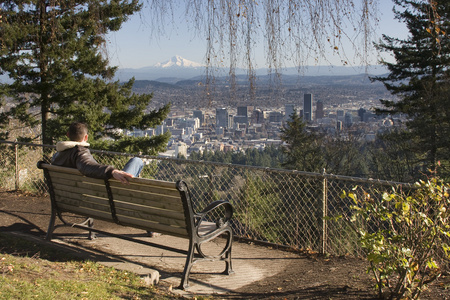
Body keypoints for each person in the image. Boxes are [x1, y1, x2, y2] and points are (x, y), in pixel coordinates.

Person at [51, 122, 143, 184]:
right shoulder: (79, 151)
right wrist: (112, 171)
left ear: (68, 135)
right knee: (137, 161)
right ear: (86, 137)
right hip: (103, 194)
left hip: (69, 196)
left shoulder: (58, 155)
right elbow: (86, 166)